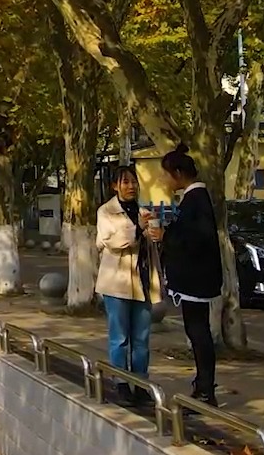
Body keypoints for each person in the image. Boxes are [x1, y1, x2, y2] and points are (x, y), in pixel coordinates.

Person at [149, 145, 222, 406]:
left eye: (165, 174)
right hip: (195, 278)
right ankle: (202, 385)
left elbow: (199, 238)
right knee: (195, 331)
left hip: (197, 278)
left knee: (198, 332)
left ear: (178, 173)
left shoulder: (197, 200)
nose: (163, 180)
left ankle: (206, 389)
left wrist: (166, 236)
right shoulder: (191, 200)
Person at [94, 164, 162, 403]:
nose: (131, 186)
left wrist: (155, 234)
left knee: (142, 338)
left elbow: (149, 247)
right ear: (115, 186)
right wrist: (137, 230)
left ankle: (141, 383)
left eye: (134, 182)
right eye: (125, 182)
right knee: (120, 337)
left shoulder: (143, 212)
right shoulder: (106, 212)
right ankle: (121, 382)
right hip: (117, 283)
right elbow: (110, 242)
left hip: (143, 282)